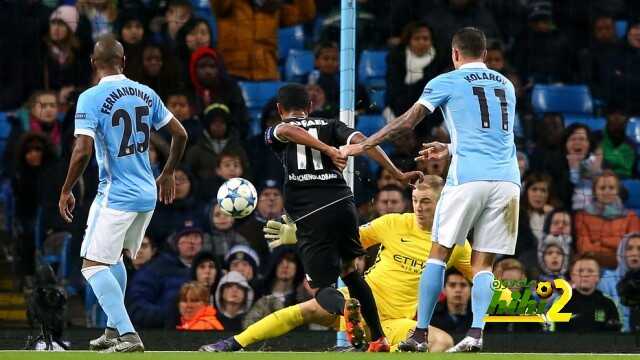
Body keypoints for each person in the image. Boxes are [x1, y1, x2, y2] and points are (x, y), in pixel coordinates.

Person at [341, 27, 520, 352]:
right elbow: (491, 137)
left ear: (454, 54)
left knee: (438, 254)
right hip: (508, 181)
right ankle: (476, 334)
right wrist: (449, 148)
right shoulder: (506, 85)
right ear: (483, 54)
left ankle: (420, 333)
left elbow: (407, 122)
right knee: (483, 264)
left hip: (468, 178)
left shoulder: (446, 81)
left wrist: (365, 144)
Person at [199, 176, 473, 353]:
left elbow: (486, 279)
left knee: (443, 342)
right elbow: (344, 239)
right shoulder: (392, 223)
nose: (419, 207)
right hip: (358, 302)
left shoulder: (456, 243)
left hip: (394, 321)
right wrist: (300, 235)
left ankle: (371, 348)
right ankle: (232, 343)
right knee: (304, 309)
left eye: (426, 201)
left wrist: (511, 309)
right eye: (415, 200)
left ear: (442, 203)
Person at [257, 83, 423, 351]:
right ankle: (378, 340)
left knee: (321, 289)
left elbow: (287, 129)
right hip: (344, 205)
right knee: (351, 274)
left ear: (279, 109)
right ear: (310, 108)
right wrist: (398, 174)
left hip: (311, 212)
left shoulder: (275, 130)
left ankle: (346, 310)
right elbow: (365, 143)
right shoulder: (330, 124)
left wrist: (328, 150)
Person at [58, 36, 188, 352]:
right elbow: (180, 134)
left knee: (91, 265)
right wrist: (168, 171)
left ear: (93, 63)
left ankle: (128, 334)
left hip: (116, 194)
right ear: (124, 61)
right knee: (114, 258)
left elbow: (82, 150)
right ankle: (113, 330)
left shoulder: (90, 97)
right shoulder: (145, 93)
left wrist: (66, 189)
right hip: (147, 192)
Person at [126, 226, 204, 330]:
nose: (138, 251)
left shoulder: (216, 269)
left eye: (143, 246)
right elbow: (137, 307)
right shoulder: (155, 268)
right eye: (186, 237)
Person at [575, 170, 640, 268]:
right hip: (591, 268)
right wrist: (616, 247)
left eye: (611, 188)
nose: (607, 191)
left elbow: (633, 248)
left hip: (624, 268)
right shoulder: (582, 216)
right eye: (602, 188)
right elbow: (585, 249)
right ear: (594, 191)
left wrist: (601, 241)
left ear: (617, 191)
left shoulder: (631, 216)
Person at [556, 254, 621, 333]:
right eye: (580, 271)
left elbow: (615, 337)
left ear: (598, 277)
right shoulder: (561, 303)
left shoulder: (608, 304)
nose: (585, 275)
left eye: (590, 271)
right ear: (572, 276)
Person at [599, 233, 640, 332]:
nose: (635, 253)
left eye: (639, 249)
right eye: (629, 248)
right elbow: (599, 317)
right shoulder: (606, 281)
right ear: (621, 252)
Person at [431, 269, 473, 334]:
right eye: (452, 285)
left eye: (463, 285)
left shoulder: (482, 316)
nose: (458, 290)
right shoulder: (431, 315)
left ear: (471, 290)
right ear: (443, 290)